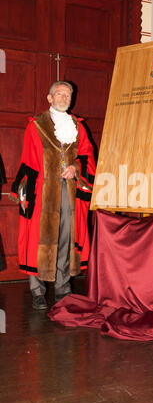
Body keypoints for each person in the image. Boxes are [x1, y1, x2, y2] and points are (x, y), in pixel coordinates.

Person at [10, 81, 96, 310]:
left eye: (68, 95)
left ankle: (62, 288)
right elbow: (28, 160)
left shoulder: (78, 126)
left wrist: (75, 168)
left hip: (69, 190)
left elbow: (87, 155)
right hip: (42, 191)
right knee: (39, 239)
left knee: (67, 238)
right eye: (60, 94)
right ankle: (37, 291)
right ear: (49, 98)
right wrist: (28, 195)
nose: (64, 98)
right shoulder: (36, 125)